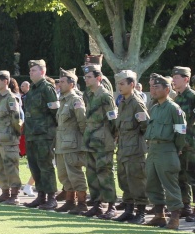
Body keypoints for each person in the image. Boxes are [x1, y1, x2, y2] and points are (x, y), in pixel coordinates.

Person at [144, 75, 187, 230]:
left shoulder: (174, 109)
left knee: (170, 184)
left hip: (167, 149)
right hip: (153, 149)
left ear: (167, 89)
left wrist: (177, 149)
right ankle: (159, 215)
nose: (152, 90)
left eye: (156, 87)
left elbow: (181, 132)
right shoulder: (154, 108)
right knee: (152, 182)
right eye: (151, 87)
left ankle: (174, 217)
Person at [112, 70, 149, 224]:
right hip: (123, 149)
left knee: (137, 181)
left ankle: (140, 212)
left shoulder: (137, 103)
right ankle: (128, 210)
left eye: (122, 84)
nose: (119, 87)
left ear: (132, 84)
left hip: (135, 150)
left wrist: (135, 140)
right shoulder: (122, 102)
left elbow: (145, 126)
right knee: (124, 180)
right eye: (118, 84)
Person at [82, 64, 118, 219]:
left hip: (103, 139)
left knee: (104, 172)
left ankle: (111, 205)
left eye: (89, 77)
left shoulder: (105, 96)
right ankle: (97, 204)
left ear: (98, 78)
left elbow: (113, 119)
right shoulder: (88, 94)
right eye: (85, 77)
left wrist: (111, 136)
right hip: (90, 138)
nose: (86, 80)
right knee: (91, 172)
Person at [23, 59, 59, 209]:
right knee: (34, 166)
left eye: (34, 70)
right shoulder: (32, 89)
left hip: (44, 134)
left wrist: (52, 131)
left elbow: (55, 111)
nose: (31, 73)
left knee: (46, 166)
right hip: (32, 134)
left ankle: (51, 197)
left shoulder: (47, 88)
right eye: (30, 70)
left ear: (42, 72)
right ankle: (41, 196)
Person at [53, 68, 88, 214]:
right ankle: (69, 201)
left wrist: (82, 141)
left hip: (73, 145)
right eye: (59, 81)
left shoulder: (75, 100)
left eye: (62, 82)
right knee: (63, 175)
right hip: (61, 145)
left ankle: (81, 203)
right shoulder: (62, 100)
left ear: (71, 84)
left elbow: (82, 122)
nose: (59, 84)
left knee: (75, 174)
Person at [0, 70, 23, 205]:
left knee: (11, 166)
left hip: (8, 139)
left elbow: (16, 119)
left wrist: (14, 135)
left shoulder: (10, 98)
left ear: (6, 82)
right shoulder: (0, 98)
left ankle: (14, 194)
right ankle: (5, 192)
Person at [170, 66, 195, 220]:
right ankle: (185, 206)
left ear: (186, 79)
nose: (173, 80)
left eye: (177, 77)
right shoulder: (177, 98)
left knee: (193, 177)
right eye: (173, 77)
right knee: (181, 176)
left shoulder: (192, 97)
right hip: (180, 144)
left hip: (191, 144)